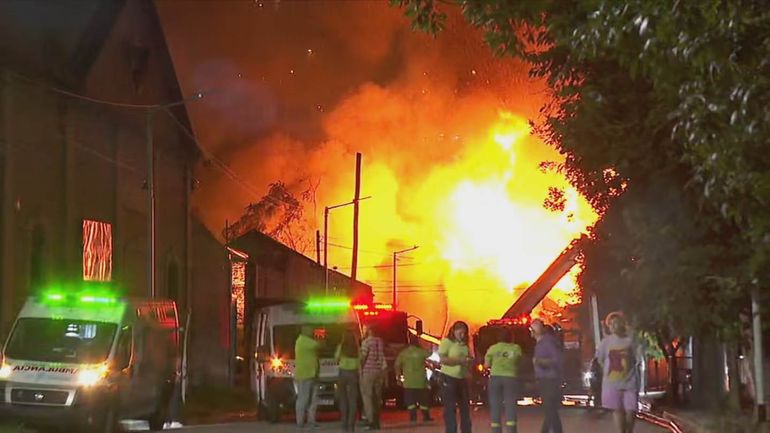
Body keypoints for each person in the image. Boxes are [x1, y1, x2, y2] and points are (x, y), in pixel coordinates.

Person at [595, 312, 642, 433]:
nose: (613, 326)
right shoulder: (606, 342)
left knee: (631, 411)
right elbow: (600, 359)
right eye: (610, 324)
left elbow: (637, 358)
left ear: (622, 324)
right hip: (612, 383)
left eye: (616, 323)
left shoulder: (630, 340)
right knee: (617, 411)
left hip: (630, 383)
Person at [484, 327, 522, 433]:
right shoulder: (516, 348)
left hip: (495, 379)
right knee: (510, 404)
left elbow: (486, 365)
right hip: (510, 378)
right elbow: (519, 361)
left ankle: (496, 430)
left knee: (495, 404)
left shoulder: (492, 349)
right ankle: (511, 430)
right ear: (511, 337)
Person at [439, 321, 473, 433]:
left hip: (462, 378)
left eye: (464, 333)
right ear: (453, 331)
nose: (462, 336)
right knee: (450, 407)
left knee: (465, 407)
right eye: (460, 333)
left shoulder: (464, 345)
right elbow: (443, 359)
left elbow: (468, 357)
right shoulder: (447, 342)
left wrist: (469, 363)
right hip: (448, 378)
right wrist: (459, 361)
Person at [531, 319, 563, 433]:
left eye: (531, 329)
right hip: (545, 379)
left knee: (550, 410)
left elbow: (556, 360)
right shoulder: (541, 343)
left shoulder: (547, 342)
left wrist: (540, 362)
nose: (530, 332)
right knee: (550, 410)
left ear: (535, 331)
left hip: (549, 380)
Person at [395, 334, 434, 424]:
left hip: (409, 382)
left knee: (410, 401)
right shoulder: (421, 352)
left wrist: (398, 377)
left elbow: (397, 365)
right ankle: (426, 416)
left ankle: (413, 417)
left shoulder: (404, 353)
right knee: (423, 400)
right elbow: (430, 354)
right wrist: (429, 345)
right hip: (421, 381)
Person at [359, 324, 386, 430]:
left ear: (369, 330)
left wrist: (360, 367)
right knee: (377, 397)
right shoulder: (380, 341)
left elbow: (363, 356)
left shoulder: (366, 342)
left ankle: (370, 421)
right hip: (378, 371)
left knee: (367, 397)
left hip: (368, 372)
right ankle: (377, 421)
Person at [295, 325, 321, 429]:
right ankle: (300, 421)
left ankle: (311, 420)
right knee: (304, 398)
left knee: (313, 399)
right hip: (305, 374)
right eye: (310, 330)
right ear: (304, 331)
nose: (311, 331)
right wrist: (319, 336)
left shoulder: (304, 340)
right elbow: (320, 345)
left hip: (312, 373)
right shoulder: (303, 341)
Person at [336, 329, 360, 432]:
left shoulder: (341, 346)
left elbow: (336, 358)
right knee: (353, 400)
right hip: (353, 374)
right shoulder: (357, 347)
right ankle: (351, 426)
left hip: (343, 373)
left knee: (343, 399)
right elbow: (361, 360)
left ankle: (344, 425)